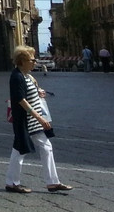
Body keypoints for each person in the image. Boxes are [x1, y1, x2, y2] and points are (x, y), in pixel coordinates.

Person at [5, 46, 71, 194]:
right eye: (32, 59)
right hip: (25, 121)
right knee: (20, 150)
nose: (35, 62)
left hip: (32, 122)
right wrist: (40, 118)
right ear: (22, 61)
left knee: (45, 147)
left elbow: (29, 92)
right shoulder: (16, 76)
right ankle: (12, 183)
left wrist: (38, 91)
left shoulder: (27, 75)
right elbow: (21, 99)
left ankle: (52, 182)